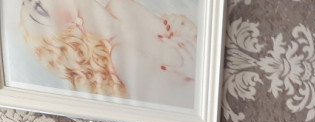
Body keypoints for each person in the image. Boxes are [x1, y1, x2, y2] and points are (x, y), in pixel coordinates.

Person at [19, 0, 197, 108]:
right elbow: (179, 102)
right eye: (39, 7)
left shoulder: (121, 6)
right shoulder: (121, 56)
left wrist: (187, 30)